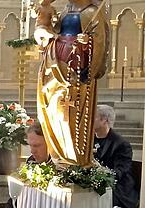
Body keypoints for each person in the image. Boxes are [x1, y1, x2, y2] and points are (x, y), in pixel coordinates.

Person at [34, 0, 109, 167]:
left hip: (75, 75)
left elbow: (99, 45)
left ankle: (72, 161)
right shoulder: (65, 11)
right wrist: (44, 28)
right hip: (54, 69)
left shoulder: (92, 13)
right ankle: (57, 157)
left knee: (69, 118)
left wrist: (86, 46)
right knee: (53, 115)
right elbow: (48, 32)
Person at [0, 122, 51, 208]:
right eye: (30, 145)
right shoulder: (31, 161)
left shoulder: (59, 169)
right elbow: (19, 193)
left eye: (36, 146)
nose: (32, 151)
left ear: (50, 144)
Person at [93, 105, 139, 208]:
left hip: (118, 188)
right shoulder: (89, 141)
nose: (89, 120)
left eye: (94, 117)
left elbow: (119, 172)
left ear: (104, 120)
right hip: (96, 184)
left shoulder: (121, 144)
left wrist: (100, 170)